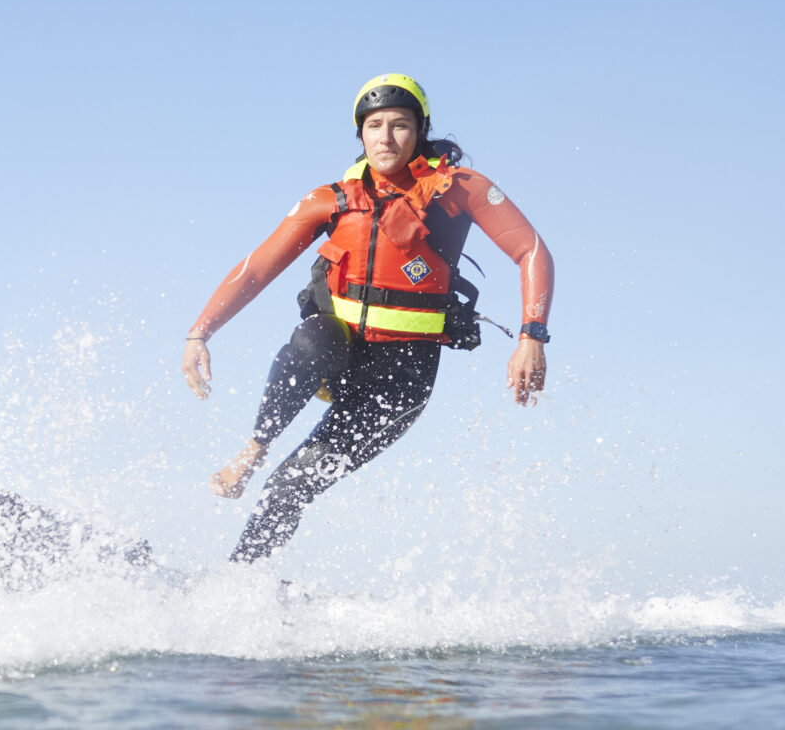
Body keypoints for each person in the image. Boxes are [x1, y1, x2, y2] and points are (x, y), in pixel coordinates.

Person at [180, 74, 555, 562]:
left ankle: (237, 581)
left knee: (289, 487)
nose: (386, 136)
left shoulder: (459, 190)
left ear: (419, 132)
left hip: (400, 384)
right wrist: (199, 333)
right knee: (315, 335)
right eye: (374, 125)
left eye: (400, 125)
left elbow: (531, 250)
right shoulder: (331, 199)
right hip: (336, 358)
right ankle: (253, 449)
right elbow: (255, 270)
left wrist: (532, 336)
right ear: (360, 135)